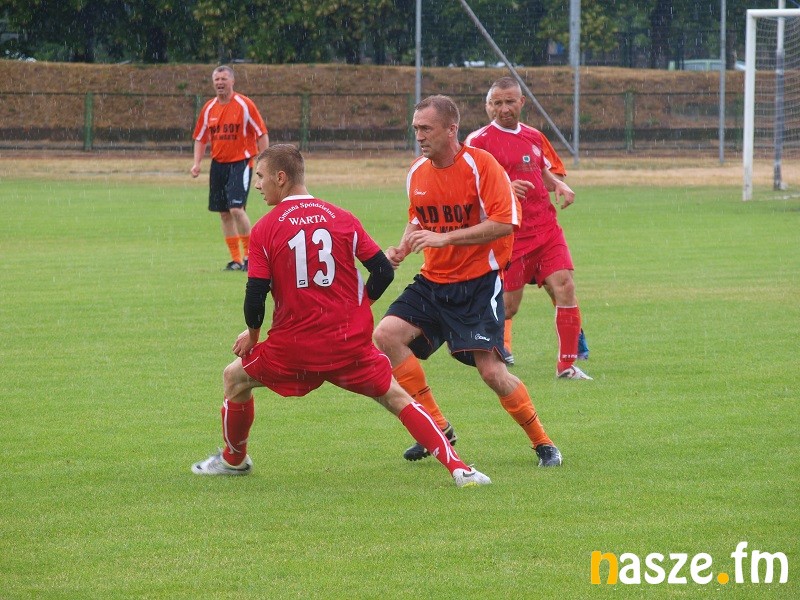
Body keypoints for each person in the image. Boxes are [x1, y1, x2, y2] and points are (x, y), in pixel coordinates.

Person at [191, 144, 491, 488]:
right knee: (396, 398)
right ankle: (460, 469)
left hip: (294, 349)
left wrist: (253, 335)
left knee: (234, 378)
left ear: (281, 177)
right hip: (348, 345)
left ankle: (234, 460)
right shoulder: (341, 217)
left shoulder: (265, 228)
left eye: (260, 176)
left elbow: (255, 294)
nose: (257, 185)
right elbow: (383, 271)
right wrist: (360, 305)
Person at [372, 95, 562, 468]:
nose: (419, 136)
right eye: (415, 129)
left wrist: (446, 239)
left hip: (478, 283)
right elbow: (418, 219)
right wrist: (402, 248)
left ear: (451, 129)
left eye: (426, 129)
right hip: (433, 281)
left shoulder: (481, 165)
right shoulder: (416, 172)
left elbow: (504, 223)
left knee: (492, 372)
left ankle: (543, 442)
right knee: (386, 335)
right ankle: (437, 427)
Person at [466, 77, 592, 379]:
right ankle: (474, 336)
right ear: (487, 106)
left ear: (521, 102)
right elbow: (468, 186)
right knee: (509, 307)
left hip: (546, 228)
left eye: (510, 102)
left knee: (565, 286)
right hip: (510, 235)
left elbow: (542, 171)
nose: (504, 109)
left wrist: (558, 184)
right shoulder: (478, 141)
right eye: (497, 103)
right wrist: (504, 188)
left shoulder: (533, 136)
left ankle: (566, 365)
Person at [191, 65, 269, 272]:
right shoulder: (209, 108)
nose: (220, 83)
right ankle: (236, 260)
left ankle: (251, 257)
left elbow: (261, 133)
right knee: (224, 213)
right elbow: (200, 138)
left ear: (232, 81)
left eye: (224, 79)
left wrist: (264, 163)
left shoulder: (244, 105)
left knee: (236, 209)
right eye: (217, 80)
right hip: (218, 165)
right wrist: (197, 163)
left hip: (240, 163)